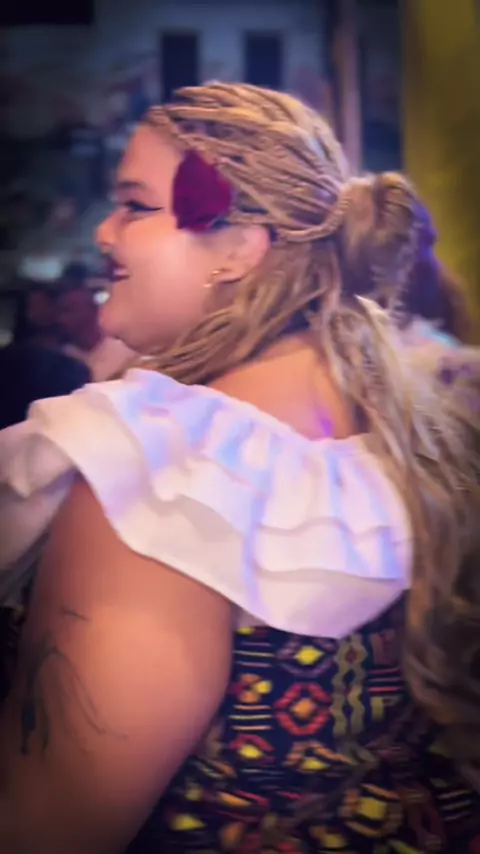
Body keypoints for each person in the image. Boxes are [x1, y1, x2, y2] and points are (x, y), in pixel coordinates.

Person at [0, 83, 479, 854]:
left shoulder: (161, 472)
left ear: (238, 249)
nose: (104, 231)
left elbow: (46, 828)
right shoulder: (410, 436)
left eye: (135, 206)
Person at [56, 263, 135, 381]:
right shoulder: (61, 359)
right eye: (61, 311)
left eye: (70, 310)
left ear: (92, 310)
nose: (62, 318)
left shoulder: (125, 352)